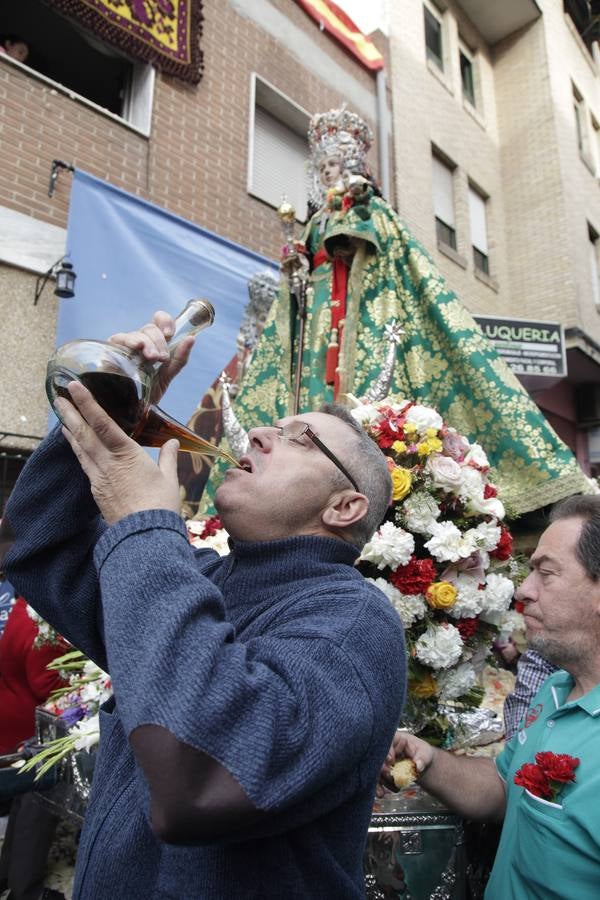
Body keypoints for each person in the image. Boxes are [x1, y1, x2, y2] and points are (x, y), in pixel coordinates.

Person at [0, 310, 407, 899]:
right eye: (272, 426)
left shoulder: (354, 622)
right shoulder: (200, 579)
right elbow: (41, 541)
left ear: (344, 507)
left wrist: (145, 525)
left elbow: (204, 778)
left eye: (302, 438)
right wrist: (117, 410)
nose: (261, 434)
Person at [211, 106, 588, 516]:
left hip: (359, 315)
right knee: (308, 403)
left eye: (334, 164)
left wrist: (348, 225)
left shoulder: (368, 206)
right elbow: (303, 273)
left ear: (351, 163)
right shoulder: (314, 221)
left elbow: (377, 246)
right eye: (321, 168)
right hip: (317, 325)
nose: (327, 174)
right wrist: (298, 271)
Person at [382, 494, 600, 899]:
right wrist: (429, 762)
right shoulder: (555, 690)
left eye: (545, 573)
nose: (525, 590)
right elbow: (504, 788)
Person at [0, 598, 68, 900]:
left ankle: (8, 874)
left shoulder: (24, 604)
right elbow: (46, 684)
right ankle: (27, 890)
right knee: (38, 803)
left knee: (22, 801)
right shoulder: (44, 624)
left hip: (11, 717)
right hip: (28, 729)